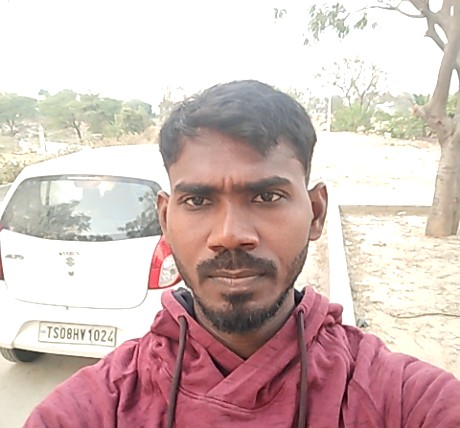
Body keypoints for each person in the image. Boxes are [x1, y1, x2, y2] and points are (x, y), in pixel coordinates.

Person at [25, 80, 460, 427]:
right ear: (165, 219)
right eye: (198, 201)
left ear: (316, 213)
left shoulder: (399, 399)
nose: (230, 236)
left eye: (267, 196)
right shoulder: (99, 406)